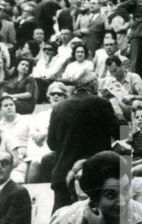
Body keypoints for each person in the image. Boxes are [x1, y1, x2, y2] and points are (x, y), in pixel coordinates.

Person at [47, 80, 119, 211]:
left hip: (63, 173)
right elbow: (121, 133)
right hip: (95, 176)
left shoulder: (58, 107)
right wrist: (119, 112)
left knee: (60, 223)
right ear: (94, 86)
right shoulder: (102, 103)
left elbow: (51, 144)